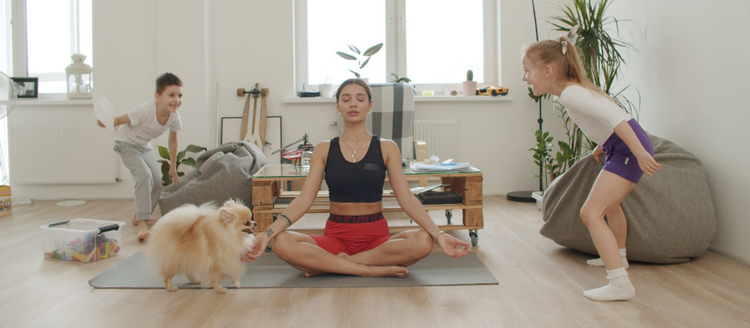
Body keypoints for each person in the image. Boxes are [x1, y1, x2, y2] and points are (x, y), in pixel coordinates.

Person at [243, 78, 471, 277]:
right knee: (282, 242)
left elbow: (407, 199)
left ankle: (332, 266)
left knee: (423, 241)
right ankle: (368, 269)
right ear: (338, 106)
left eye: (360, 99)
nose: (353, 103)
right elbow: (304, 199)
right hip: (335, 238)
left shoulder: (387, 147)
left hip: (377, 240)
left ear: (370, 105)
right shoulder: (324, 149)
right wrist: (267, 233)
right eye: (346, 99)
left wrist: (439, 234)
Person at [521, 27, 661, 301]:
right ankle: (619, 258)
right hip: (619, 147)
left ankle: (620, 282)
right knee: (611, 206)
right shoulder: (570, 91)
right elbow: (605, 119)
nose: (524, 77)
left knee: (591, 213)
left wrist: (639, 153)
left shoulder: (571, 93)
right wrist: (603, 144)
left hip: (627, 150)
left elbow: (615, 115)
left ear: (548, 71)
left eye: (527, 70)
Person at [97, 73, 184, 240]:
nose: (177, 100)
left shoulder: (174, 116)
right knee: (144, 176)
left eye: (180, 95)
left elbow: (173, 141)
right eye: (171, 95)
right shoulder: (144, 111)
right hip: (126, 144)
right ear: (158, 97)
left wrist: (173, 166)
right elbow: (117, 120)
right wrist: (103, 121)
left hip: (144, 147)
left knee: (157, 182)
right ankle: (143, 222)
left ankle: (141, 216)